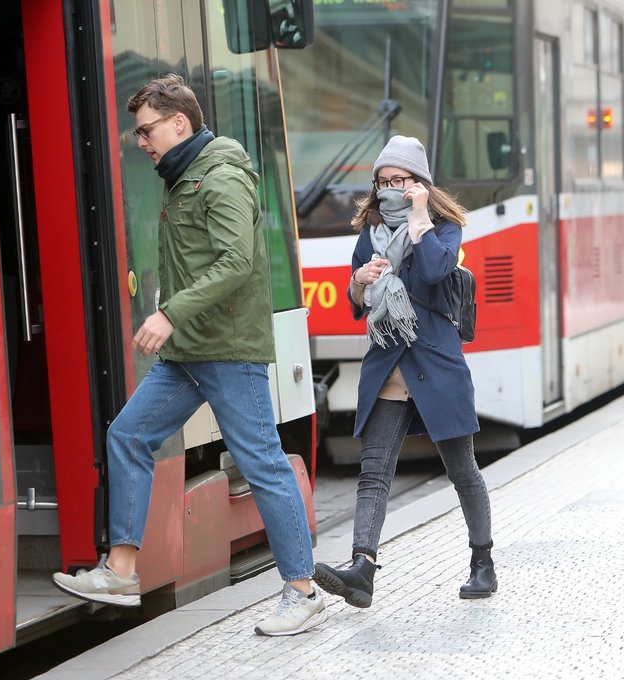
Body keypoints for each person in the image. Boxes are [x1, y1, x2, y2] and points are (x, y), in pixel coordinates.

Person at [52, 74, 327, 637]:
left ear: (180, 123)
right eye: (137, 133)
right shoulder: (185, 178)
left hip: (225, 349)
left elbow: (236, 263)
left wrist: (170, 312)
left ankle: (301, 589)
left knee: (263, 465)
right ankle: (121, 570)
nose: (141, 142)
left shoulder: (220, 177)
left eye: (147, 130)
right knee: (128, 435)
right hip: (190, 351)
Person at [313, 136, 497, 607]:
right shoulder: (368, 232)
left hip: (436, 364)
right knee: (374, 472)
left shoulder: (445, 228)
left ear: (421, 183)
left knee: (462, 470)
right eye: (384, 181)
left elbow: (436, 271)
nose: (391, 188)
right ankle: (361, 569)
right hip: (389, 362)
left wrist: (419, 220)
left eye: (401, 180)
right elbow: (357, 302)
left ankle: (483, 563)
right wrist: (359, 282)